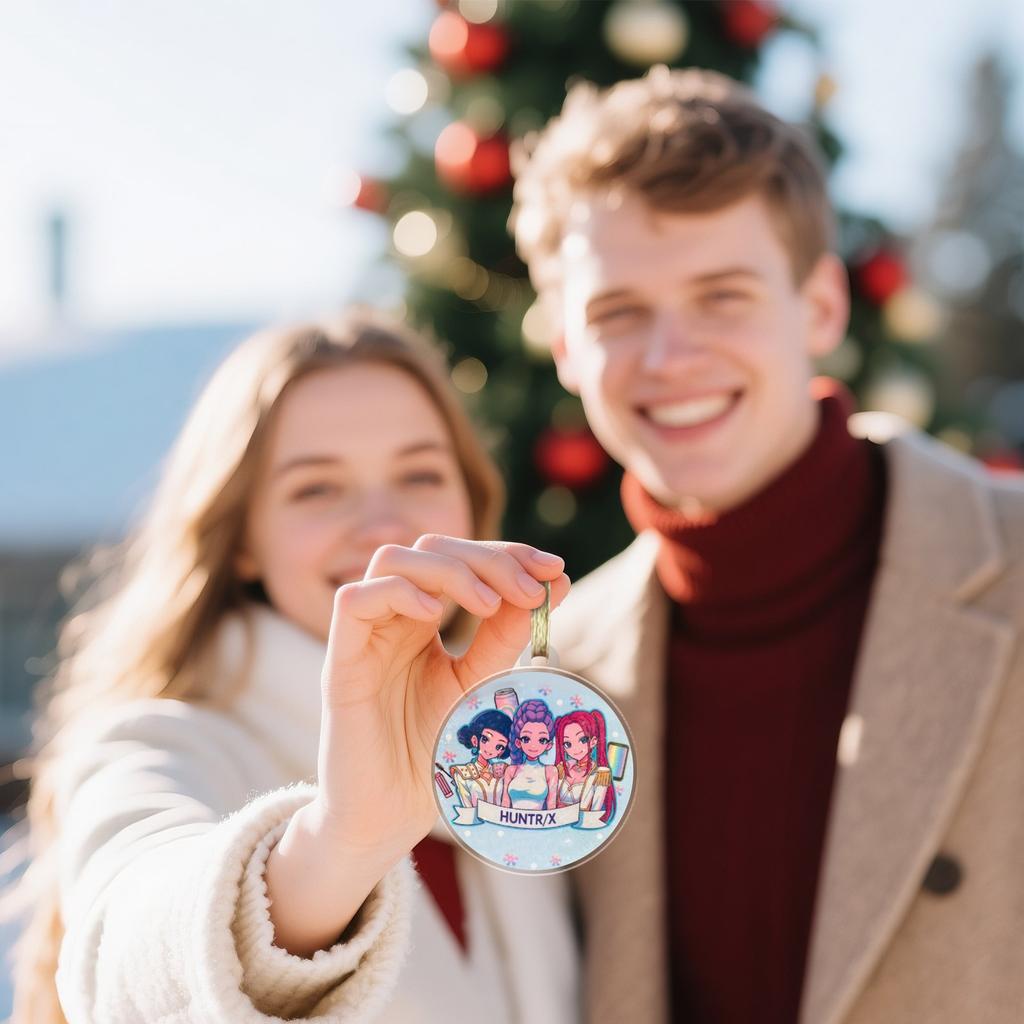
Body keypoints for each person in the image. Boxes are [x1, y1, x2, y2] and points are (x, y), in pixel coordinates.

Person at [508, 66, 1024, 1024]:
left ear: (821, 307)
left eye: (723, 295)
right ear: (568, 349)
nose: (671, 357)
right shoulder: (560, 672)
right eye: (619, 312)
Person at [1, 311, 577, 1023]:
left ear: (472, 500)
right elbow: (128, 961)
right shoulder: (156, 743)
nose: (382, 524)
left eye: (421, 473)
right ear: (241, 538)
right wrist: (343, 841)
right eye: (316, 488)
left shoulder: (523, 748)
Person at [553, 710, 614, 825]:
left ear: (593, 741)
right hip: (556, 824)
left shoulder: (600, 774)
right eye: (567, 744)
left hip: (582, 827)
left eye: (582, 740)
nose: (575, 748)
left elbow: (594, 813)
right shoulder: (561, 768)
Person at [500, 699, 558, 810]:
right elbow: (505, 804)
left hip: (540, 823)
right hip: (510, 822)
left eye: (542, 740)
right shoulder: (511, 770)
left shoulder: (550, 771)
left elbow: (552, 807)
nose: (533, 746)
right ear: (518, 742)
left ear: (549, 745)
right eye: (526, 739)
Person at [450, 708, 511, 808]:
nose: (491, 748)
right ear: (475, 740)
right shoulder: (463, 773)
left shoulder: (504, 771)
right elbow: (467, 806)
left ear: (503, 751)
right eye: (485, 739)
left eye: (499, 746)